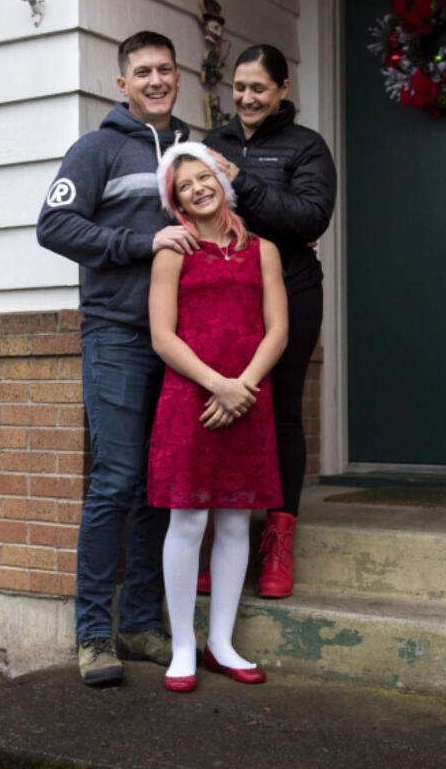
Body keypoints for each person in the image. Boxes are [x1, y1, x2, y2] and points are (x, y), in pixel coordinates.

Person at [37, 31, 201, 687]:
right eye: (143, 72)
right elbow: (54, 227)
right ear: (122, 84)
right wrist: (140, 240)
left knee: (161, 484)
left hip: (182, 340)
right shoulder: (97, 148)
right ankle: (93, 636)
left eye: (165, 69)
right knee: (116, 479)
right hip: (118, 335)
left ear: (178, 76)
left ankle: (138, 622)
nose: (156, 80)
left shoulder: (193, 152)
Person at [147, 141, 288, 692]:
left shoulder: (264, 250)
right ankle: (183, 644)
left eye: (203, 178)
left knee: (234, 520)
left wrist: (244, 386)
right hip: (192, 398)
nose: (198, 189)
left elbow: (277, 327)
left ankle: (220, 642)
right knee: (188, 520)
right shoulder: (172, 252)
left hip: (250, 397)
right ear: (175, 201)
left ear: (222, 181)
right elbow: (162, 335)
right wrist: (217, 386)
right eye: (184, 186)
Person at [203, 44, 337, 598]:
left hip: (294, 290)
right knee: (224, 409)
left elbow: (311, 218)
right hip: (226, 293)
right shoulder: (213, 142)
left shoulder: (307, 147)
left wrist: (245, 183)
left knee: (280, 411)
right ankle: (222, 538)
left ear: (282, 89)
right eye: (239, 87)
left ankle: (279, 538)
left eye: (259, 88)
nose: (247, 98)